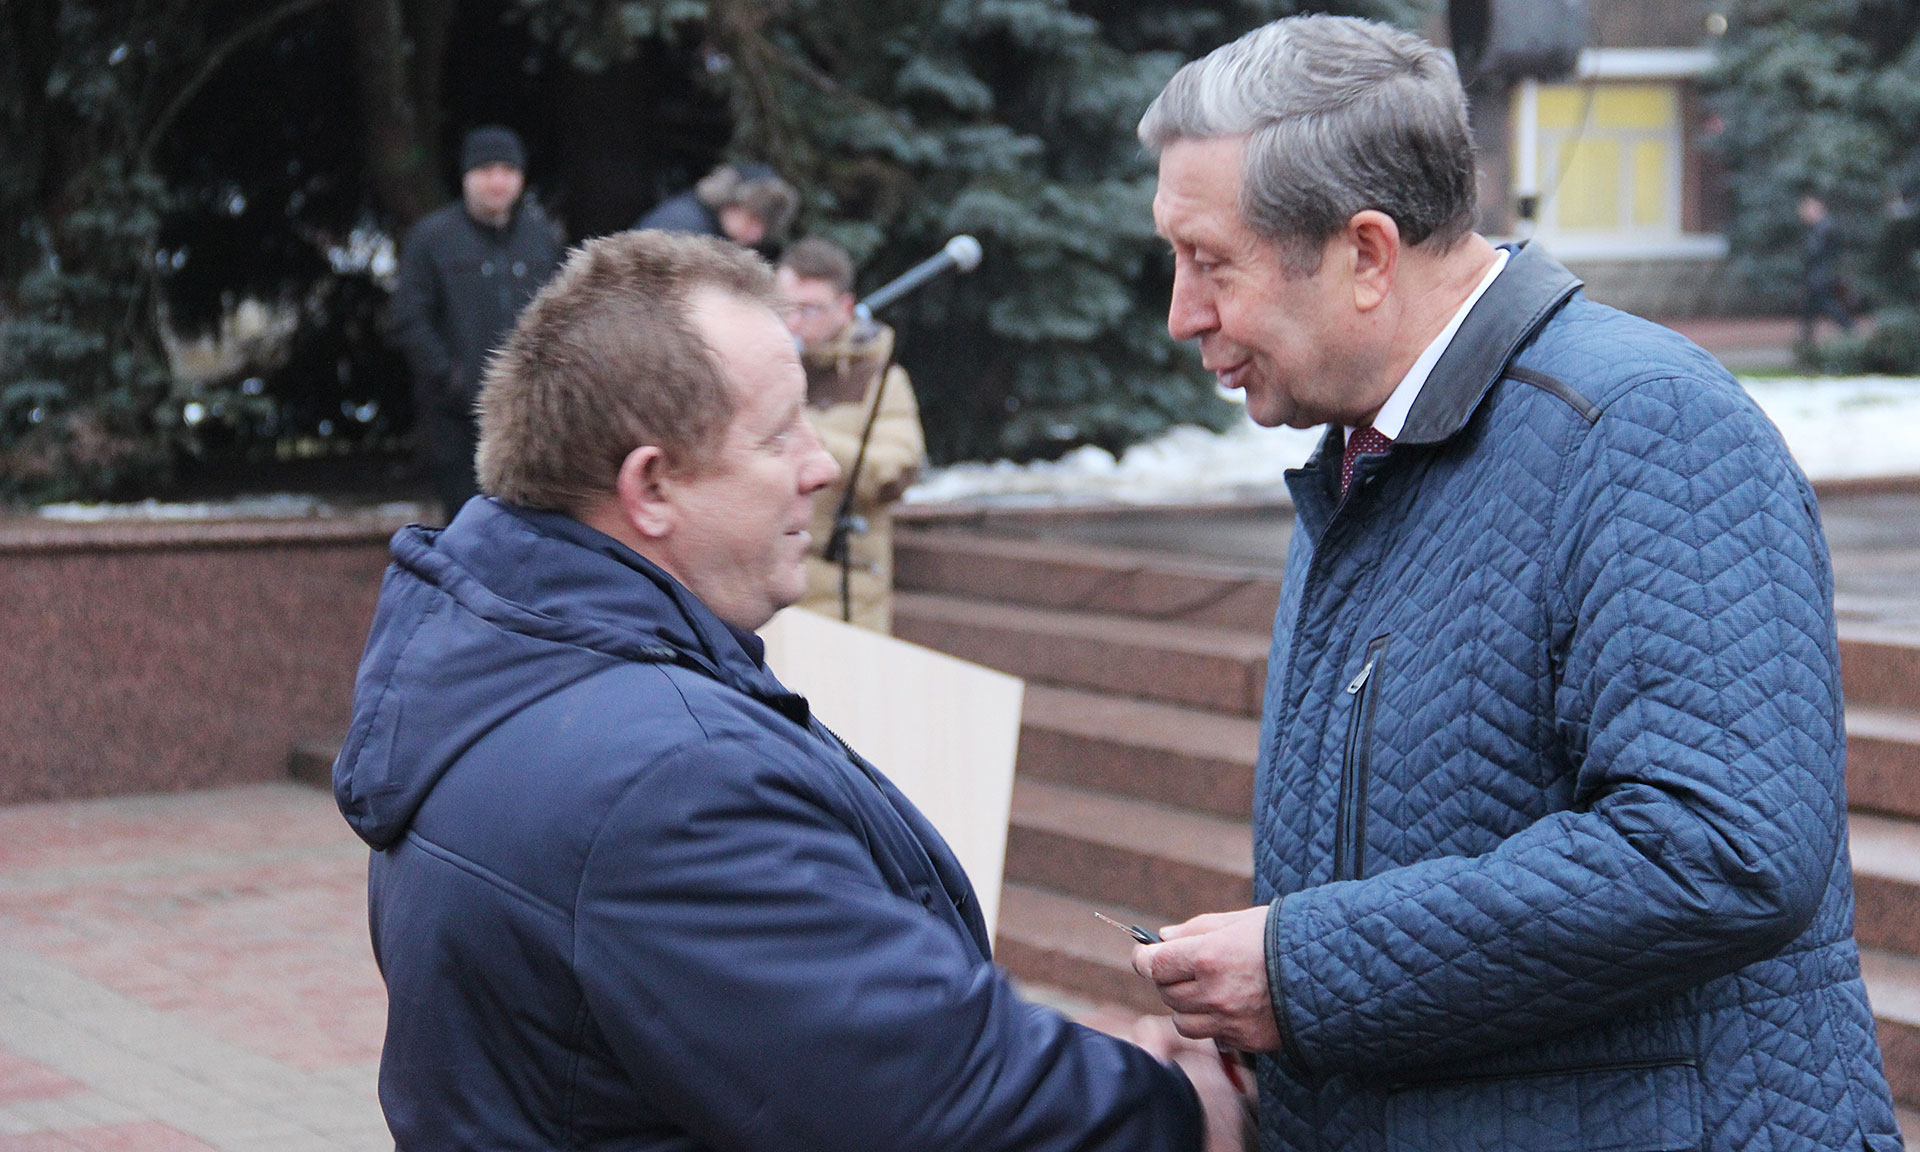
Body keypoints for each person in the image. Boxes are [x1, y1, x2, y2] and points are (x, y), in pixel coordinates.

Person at [1128, 15, 1903, 1152]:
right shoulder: (1371, 450)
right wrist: (1266, 1055)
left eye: (1211, 262)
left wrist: (1300, 972)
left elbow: (1721, 846)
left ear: (1367, 254)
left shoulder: (1642, 426)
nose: (1182, 313)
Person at [332, 229, 1247, 1151]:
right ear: (652, 486)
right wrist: (1174, 1109)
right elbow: (926, 1096)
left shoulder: (504, 673)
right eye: (777, 434)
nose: (822, 465)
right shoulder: (668, 783)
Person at [390, 124, 564, 522]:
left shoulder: (541, 238)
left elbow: (562, 314)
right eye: (486, 170)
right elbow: (409, 319)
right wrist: (450, 377)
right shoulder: (431, 238)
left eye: (508, 170)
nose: (497, 182)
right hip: (456, 421)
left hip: (528, 418)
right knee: (467, 527)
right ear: (466, 176)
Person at [775, 238, 926, 631]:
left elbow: (895, 471)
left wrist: (808, 437)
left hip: (844, 592)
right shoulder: (766, 367)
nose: (793, 323)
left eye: (809, 309)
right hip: (768, 583)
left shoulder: (879, 377)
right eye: (784, 307)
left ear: (845, 308)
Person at [635, 161, 799, 250]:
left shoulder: (709, 232)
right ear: (731, 203)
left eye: (765, 226)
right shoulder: (681, 227)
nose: (757, 235)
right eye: (754, 219)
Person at [1799, 193, 1855, 344]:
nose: (1803, 213)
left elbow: (1814, 251)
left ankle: (1850, 328)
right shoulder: (1821, 227)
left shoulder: (1824, 227)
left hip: (1821, 275)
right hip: (1819, 274)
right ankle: (1806, 340)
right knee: (1810, 308)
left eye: (1806, 208)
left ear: (1817, 208)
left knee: (1827, 305)